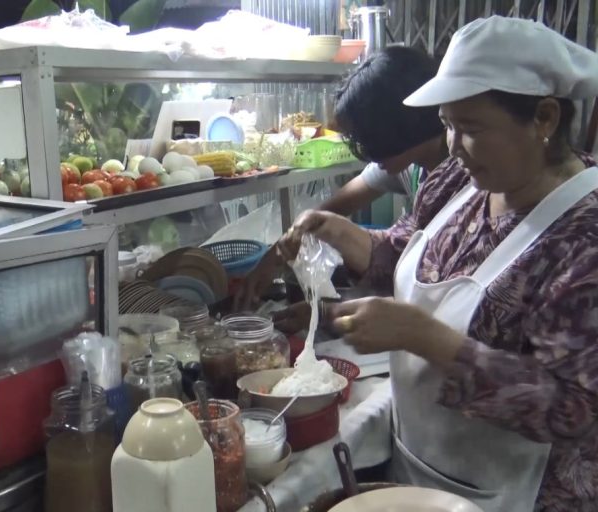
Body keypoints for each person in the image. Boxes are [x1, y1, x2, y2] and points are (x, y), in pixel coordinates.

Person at [288, 16, 598, 512]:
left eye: (470, 128)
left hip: (517, 495)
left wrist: (425, 337)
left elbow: (574, 410)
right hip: (422, 463)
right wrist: (340, 231)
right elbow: (405, 252)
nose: (453, 145)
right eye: (447, 125)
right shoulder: (461, 179)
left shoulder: (582, 237)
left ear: (544, 118)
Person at [235, 46, 445, 311]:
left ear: (400, 124)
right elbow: (331, 209)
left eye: (371, 137)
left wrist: (332, 312)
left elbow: (426, 280)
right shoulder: (406, 160)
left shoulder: (463, 177)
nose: (367, 153)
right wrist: (273, 258)